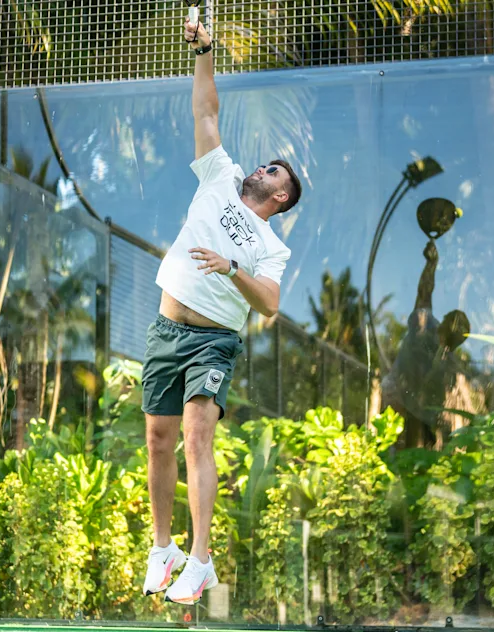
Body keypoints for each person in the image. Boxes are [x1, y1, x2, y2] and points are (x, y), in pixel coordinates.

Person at [140, 15, 303, 606]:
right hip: (166, 327)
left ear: (280, 197)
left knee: (195, 436)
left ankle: (201, 559)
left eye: (275, 172)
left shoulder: (272, 246)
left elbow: (270, 306)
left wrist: (232, 269)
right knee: (158, 439)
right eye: (266, 164)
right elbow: (205, 112)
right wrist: (205, 50)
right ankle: (164, 550)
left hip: (212, 342)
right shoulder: (220, 176)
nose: (263, 167)